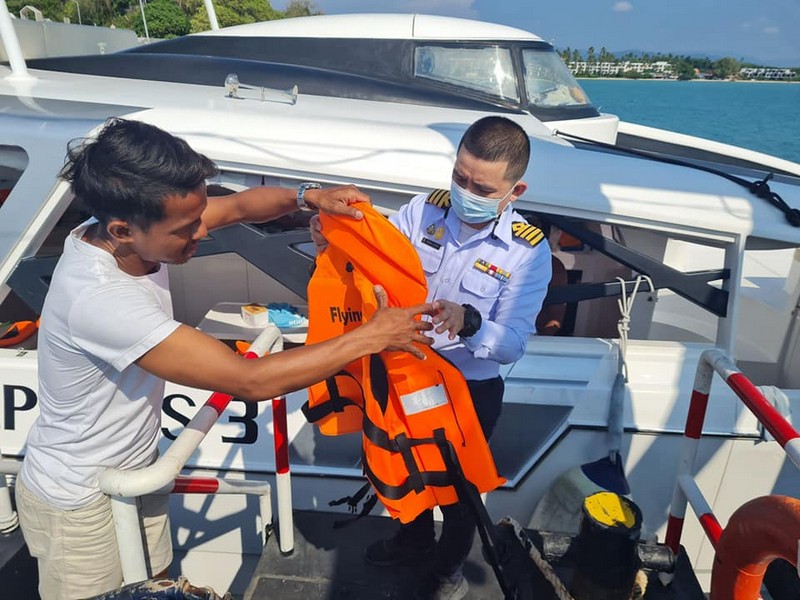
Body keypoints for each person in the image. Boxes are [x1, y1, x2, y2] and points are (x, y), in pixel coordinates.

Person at [15, 117, 436, 600]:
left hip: (134, 473)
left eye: (198, 215)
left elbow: (237, 206)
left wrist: (309, 196)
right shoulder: (100, 299)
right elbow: (249, 380)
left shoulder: (129, 232)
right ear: (122, 230)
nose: (201, 230)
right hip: (80, 501)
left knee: (157, 585)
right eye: (186, 228)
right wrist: (370, 336)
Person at [311, 116, 552, 600]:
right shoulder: (422, 211)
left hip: (468, 391)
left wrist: (470, 321)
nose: (465, 192)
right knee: (399, 466)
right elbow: (372, 260)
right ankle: (413, 539)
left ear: (515, 191)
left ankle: (447, 569)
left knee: (460, 492)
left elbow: (514, 344)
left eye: (481, 188)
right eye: (460, 177)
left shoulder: (528, 253)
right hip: (405, 373)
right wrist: (331, 241)